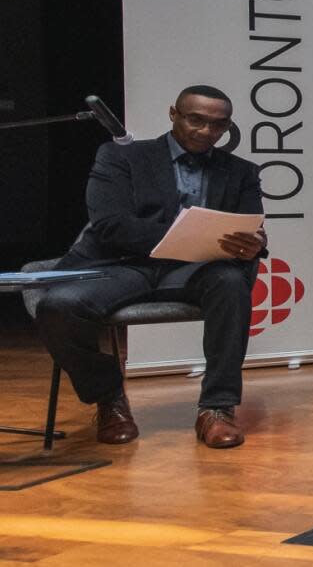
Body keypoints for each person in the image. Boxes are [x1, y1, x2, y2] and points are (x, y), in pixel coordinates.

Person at [36, 85, 267, 448]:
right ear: (173, 114)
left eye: (218, 125)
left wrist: (254, 243)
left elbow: (248, 225)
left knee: (231, 282)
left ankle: (217, 408)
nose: (207, 132)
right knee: (57, 306)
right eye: (196, 120)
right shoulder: (121, 157)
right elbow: (110, 224)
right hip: (122, 264)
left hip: (195, 267)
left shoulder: (241, 171)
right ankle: (108, 397)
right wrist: (180, 235)